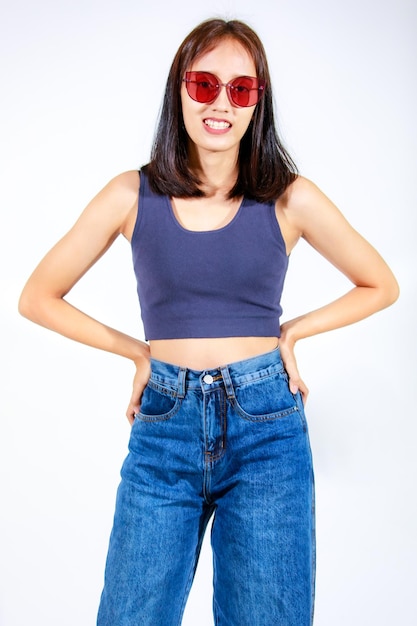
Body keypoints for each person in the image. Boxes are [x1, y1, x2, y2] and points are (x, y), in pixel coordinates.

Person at [18, 17, 399, 626]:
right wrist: (138, 354)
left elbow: (382, 284)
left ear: (257, 104)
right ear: (180, 91)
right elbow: (38, 296)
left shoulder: (288, 197)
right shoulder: (130, 194)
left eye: (241, 90)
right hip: (164, 425)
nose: (221, 103)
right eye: (204, 84)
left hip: (267, 427)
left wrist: (292, 333)